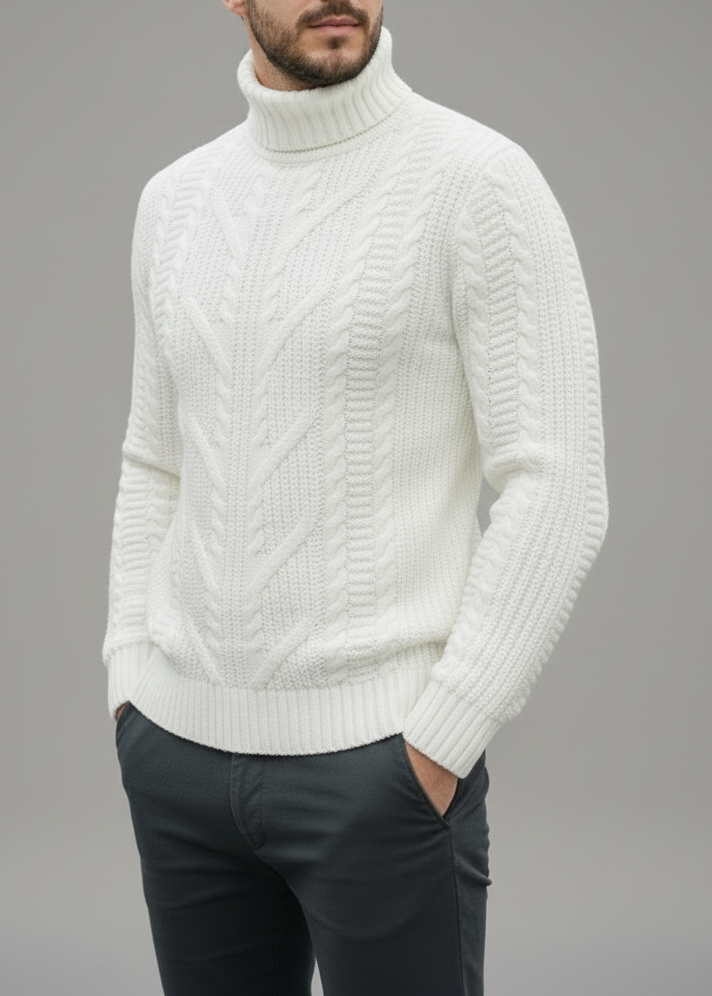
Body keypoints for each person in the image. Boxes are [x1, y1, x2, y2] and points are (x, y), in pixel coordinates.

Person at [103, 2, 609, 994]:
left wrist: (445, 733)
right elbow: (153, 460)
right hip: (177, 759)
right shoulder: (175, 200)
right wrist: (129, 680)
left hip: (380, 772)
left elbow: (559, 483)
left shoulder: (478, 182)